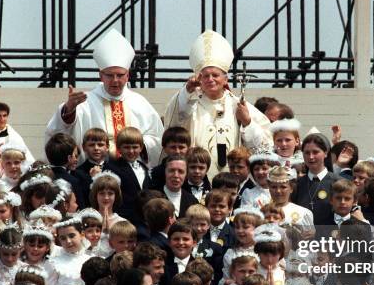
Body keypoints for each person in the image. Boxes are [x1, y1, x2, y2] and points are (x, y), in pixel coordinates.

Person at [164, 30, 271, 180]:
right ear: (198, 78)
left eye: (215, 75)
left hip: (232, 181)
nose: (210, 79)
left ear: (225, 79)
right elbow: (174, 120)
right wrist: (187, 90)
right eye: (205, 75)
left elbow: (266, 146)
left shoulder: (237, 104)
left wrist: (247, 122)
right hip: (197, 177)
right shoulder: (190, 102)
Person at [46, 29, 163, 166]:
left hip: (133, 171)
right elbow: (59, 134)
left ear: (128, 76)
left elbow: (157, 138)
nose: (115, 80)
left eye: (120, 75)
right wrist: (69, 110)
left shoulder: (140, 103)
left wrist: (136, 143)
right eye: (109, 75)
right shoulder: (85, 101)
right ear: (100, 75)